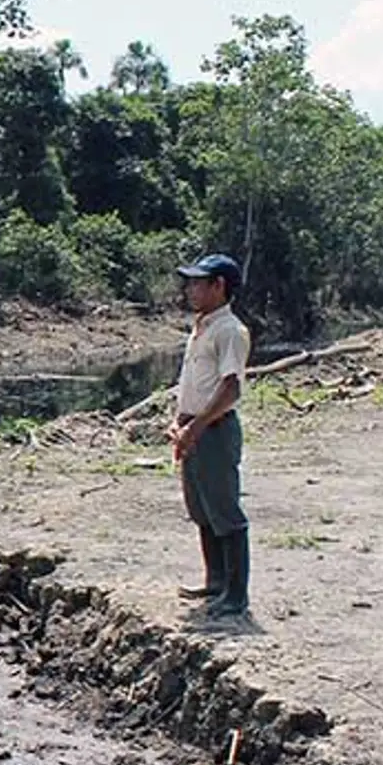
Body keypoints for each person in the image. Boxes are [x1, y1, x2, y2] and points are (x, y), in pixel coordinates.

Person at [170, 253, 252, 621]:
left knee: (225, 511)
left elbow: (230, 389)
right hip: (195, 429)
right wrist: (179, 424)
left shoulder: (229, 330)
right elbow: (193, 383)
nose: (190, 289)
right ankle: (216, 580)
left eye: (198, 283)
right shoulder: (202, 326)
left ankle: (236, 596)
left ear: (219, 286)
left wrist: (196, 427)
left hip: (213, 432)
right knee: (201, 509)